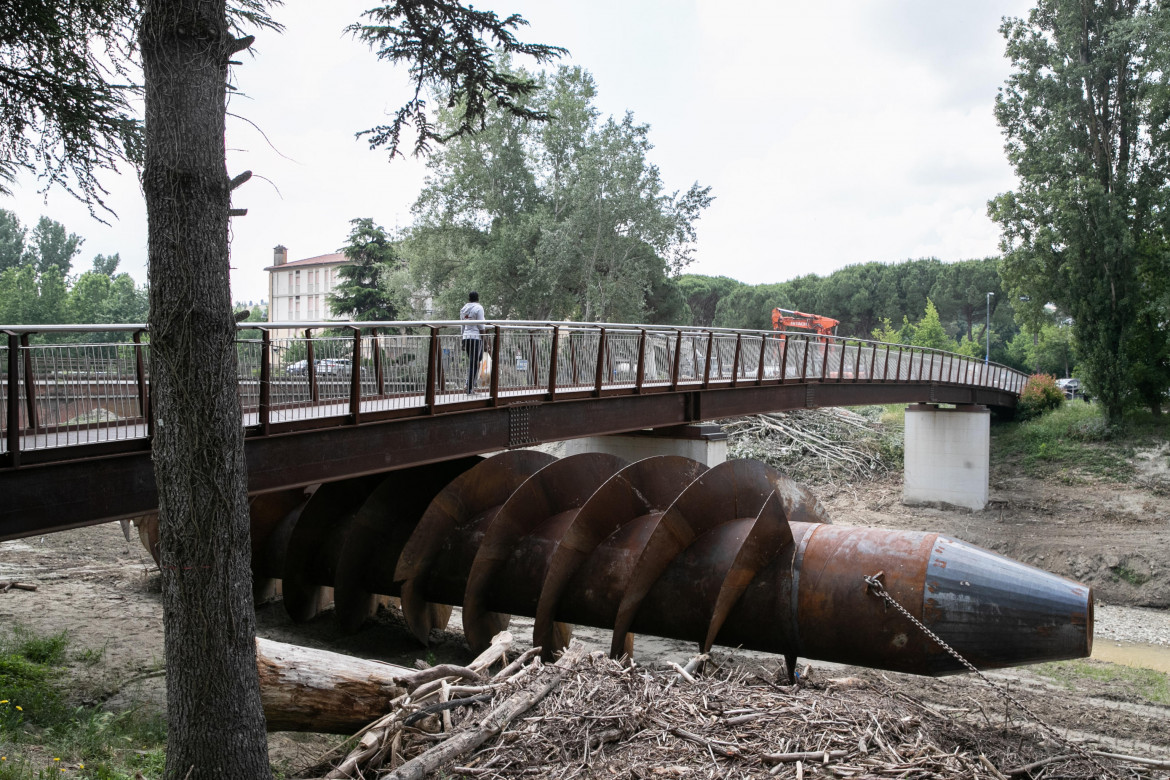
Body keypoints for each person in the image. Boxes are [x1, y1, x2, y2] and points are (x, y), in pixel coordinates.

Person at [460, 291, 486, 394]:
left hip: (466, 337)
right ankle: (469, 388)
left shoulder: (463, 309)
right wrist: (485, 341)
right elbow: (481, 326)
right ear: (478, 298)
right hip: (475, 338)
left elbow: (462, 325)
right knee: (474, 363)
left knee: (474, 362)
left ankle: (468, 384)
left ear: (469, 298)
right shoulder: (479, 308)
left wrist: (462, 339)